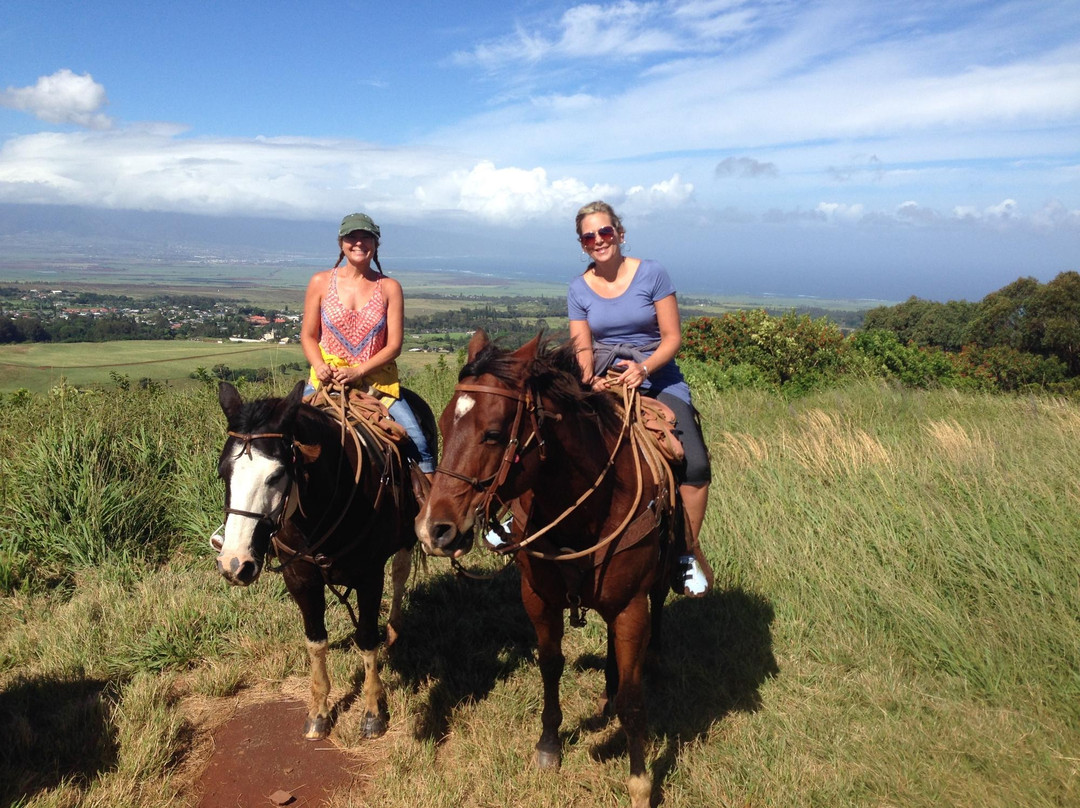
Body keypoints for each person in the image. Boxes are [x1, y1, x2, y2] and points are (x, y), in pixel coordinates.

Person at [567, 200, 713, 596]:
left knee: (696, 464)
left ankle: (684, 553)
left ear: (619, 232)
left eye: (605, 232)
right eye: (589, 236)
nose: (599, 241)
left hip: (657, 378)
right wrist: (591, 380)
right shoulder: (578, 289)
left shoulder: (652, 273)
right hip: (603, 380)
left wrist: (643, 369)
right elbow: (582, 349)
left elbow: (672, 339)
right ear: (582, 245)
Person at [300, 212, 435, 477]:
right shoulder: (319, 282)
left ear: (375, 244)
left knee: (419, 446)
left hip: (377, 384)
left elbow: (394, 345)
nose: (359, 243)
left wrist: (358, 372)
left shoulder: (389, 288)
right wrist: (319, 364)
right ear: (341, 242)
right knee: (279, 439)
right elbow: (308, 336)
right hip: (325, 381)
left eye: (366, 237)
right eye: (352, 237)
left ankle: (429, 512)